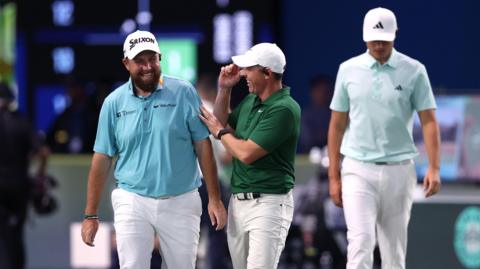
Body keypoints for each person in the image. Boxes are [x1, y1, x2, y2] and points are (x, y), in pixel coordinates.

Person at [80, 30, 227, 269]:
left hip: (182, 198)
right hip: (132, 198)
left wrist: (215, 199)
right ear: (126, 63)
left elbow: (203, 145)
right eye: (140, 61)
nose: (148, 66)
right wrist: (90, 215)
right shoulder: (113, 103)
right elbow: (102, 157)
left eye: (153, 59)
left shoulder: (184, 92)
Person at [328, 7, 441, 269]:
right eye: (374, 39)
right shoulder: (348, 70)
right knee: (360, 244)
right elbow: (336, 126)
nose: (378, 45)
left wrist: (434, 167)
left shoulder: (414, 70)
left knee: (394, 252)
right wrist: (334, 176)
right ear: (364, 37)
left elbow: (429, 121)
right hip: (357, 167)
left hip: (399, 171)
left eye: (384, 39)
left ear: (396, 35)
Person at [199, 43, 301, 269]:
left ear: (267, 72)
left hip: (269, 203)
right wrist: (224, 90)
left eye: (249, 69)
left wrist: (220, 131)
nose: (242, 73)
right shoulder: (251, 101)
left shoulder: (284, 108)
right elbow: (222, 123)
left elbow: (245, 153)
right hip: (239, 202)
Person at [0, 82, 49, 269]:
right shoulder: (21, 122)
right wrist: (40, 175)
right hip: (20, 185)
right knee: (17, 231)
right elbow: (43, 152)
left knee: (2, 236)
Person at [298, 74, 333, 153]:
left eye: (326, 91)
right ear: (312, 92)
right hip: (309, 158)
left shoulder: (336, 114)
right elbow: (307, 141)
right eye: (319, 90)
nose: (323, 95)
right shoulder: (305, 116)